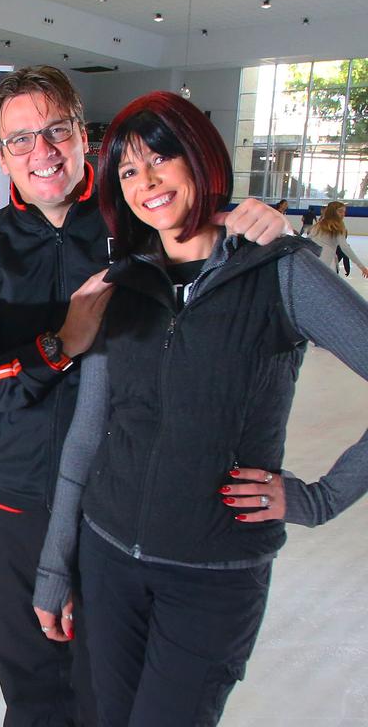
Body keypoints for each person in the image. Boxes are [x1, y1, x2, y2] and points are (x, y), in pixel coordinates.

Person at [0, 65, 293, 726]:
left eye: (55, 131)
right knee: (35, 695)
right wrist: (57, 345)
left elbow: (216, 248)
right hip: (17, 507)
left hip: (120, 513)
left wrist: (262, 222)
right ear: (0, 151)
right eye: (20, 139)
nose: (41, 152)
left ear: (83, 135)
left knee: (111, 699)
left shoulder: (133, 223)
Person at [32, 90, 368, 726]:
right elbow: (87, 436)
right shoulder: (122, 283)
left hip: (212, 577)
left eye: (162, 158)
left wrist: (318, 499)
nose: (147, 181)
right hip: (108, 562)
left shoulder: (280, 272)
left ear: (201, 159)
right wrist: (55, 568)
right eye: (129, 170)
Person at [309, 201, 368, 278]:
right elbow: (345, 247)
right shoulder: (337, 226)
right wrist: (362, 267)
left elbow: (308, 240)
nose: (343, 214)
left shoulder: (319, 224)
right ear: (332, 212)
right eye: (340, 211)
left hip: (314, 260)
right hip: (325, 261)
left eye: (344, 212)